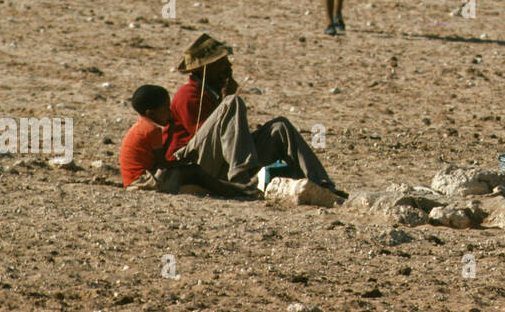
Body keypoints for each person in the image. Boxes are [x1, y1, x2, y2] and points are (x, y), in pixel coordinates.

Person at [165, 33, 346, 197]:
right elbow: (206, 138)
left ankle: (321, 183)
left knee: (279, 127)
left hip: (218, 159)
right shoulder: (188, 94)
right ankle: (240, 179)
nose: (228, 66)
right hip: (193, 163)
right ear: (205, 68)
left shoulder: (212, 91)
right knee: (232, 103)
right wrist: (227, 100)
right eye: (221, 62)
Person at [119, 84, 253, 197]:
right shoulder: (152, 129)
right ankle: (237, 191)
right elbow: (163, 163)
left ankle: (236, 189)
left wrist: (170, 132)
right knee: (194, 172)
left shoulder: (142, 124)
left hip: (137, 179)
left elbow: (158, 157)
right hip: (143, 181)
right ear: (151, 113)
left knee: (194, 174)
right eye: (166, 107)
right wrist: (184, 161)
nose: (169, 111)